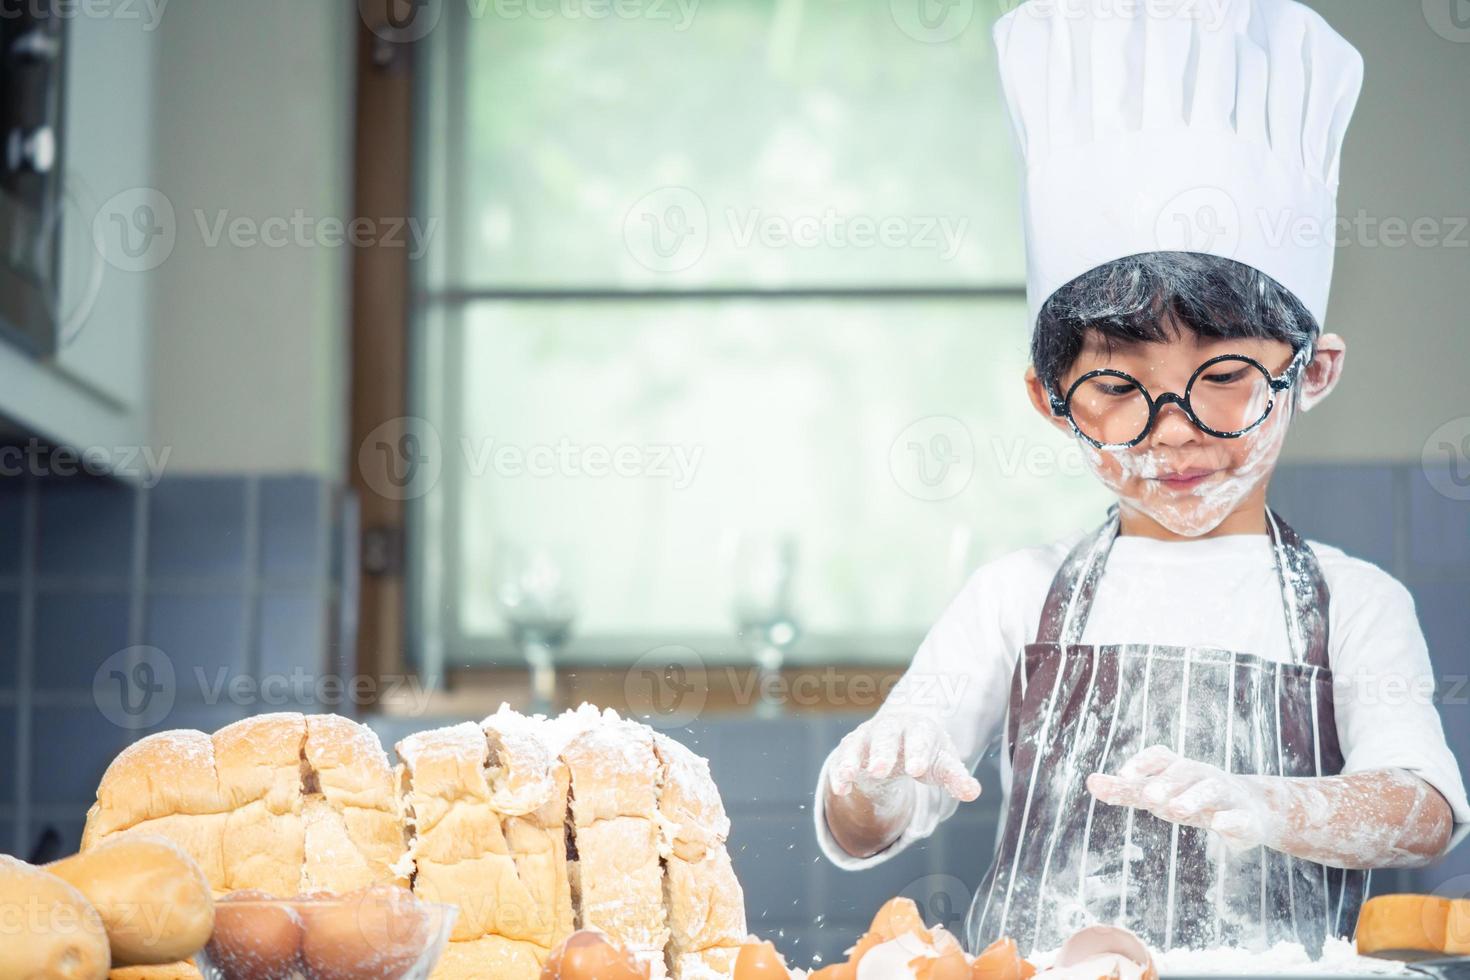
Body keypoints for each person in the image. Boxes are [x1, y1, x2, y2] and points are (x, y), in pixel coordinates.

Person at [813, 0, 1468, 959]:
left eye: (1227, 379)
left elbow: (1422, 810)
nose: (1173, 433)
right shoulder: (1017, 596)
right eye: (1119, 387)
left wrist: (1265, 803)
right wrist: (873, 776)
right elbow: (867, 825)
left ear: (1312, 373)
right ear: (1049, 398)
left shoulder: (1356, 604)